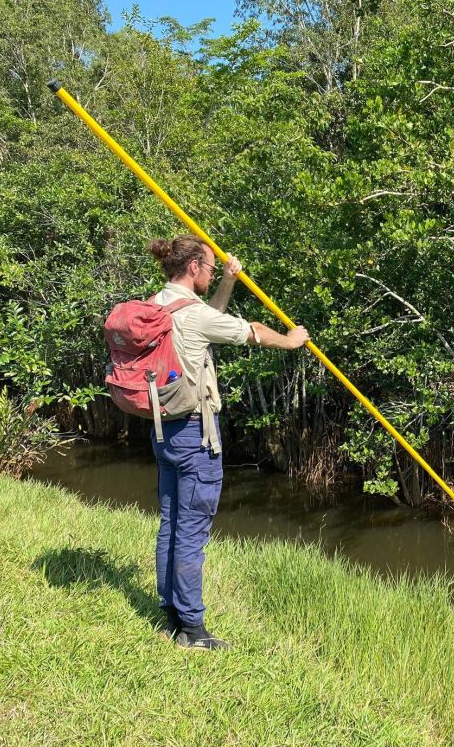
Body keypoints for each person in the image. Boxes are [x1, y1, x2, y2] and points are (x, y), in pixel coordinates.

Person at [146, 235, 309, 650]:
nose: (213, 271)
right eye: (211, 267)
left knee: (172, 523)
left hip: (163, 431)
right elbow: (249, 331)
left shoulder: (156, 304)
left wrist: (230, 282)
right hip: (194, 434)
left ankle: (170, 615)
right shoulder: (192, 314)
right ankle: (192, 629)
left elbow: (207, 318)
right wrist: (291, 341)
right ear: (194, 268)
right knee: (192, 531)